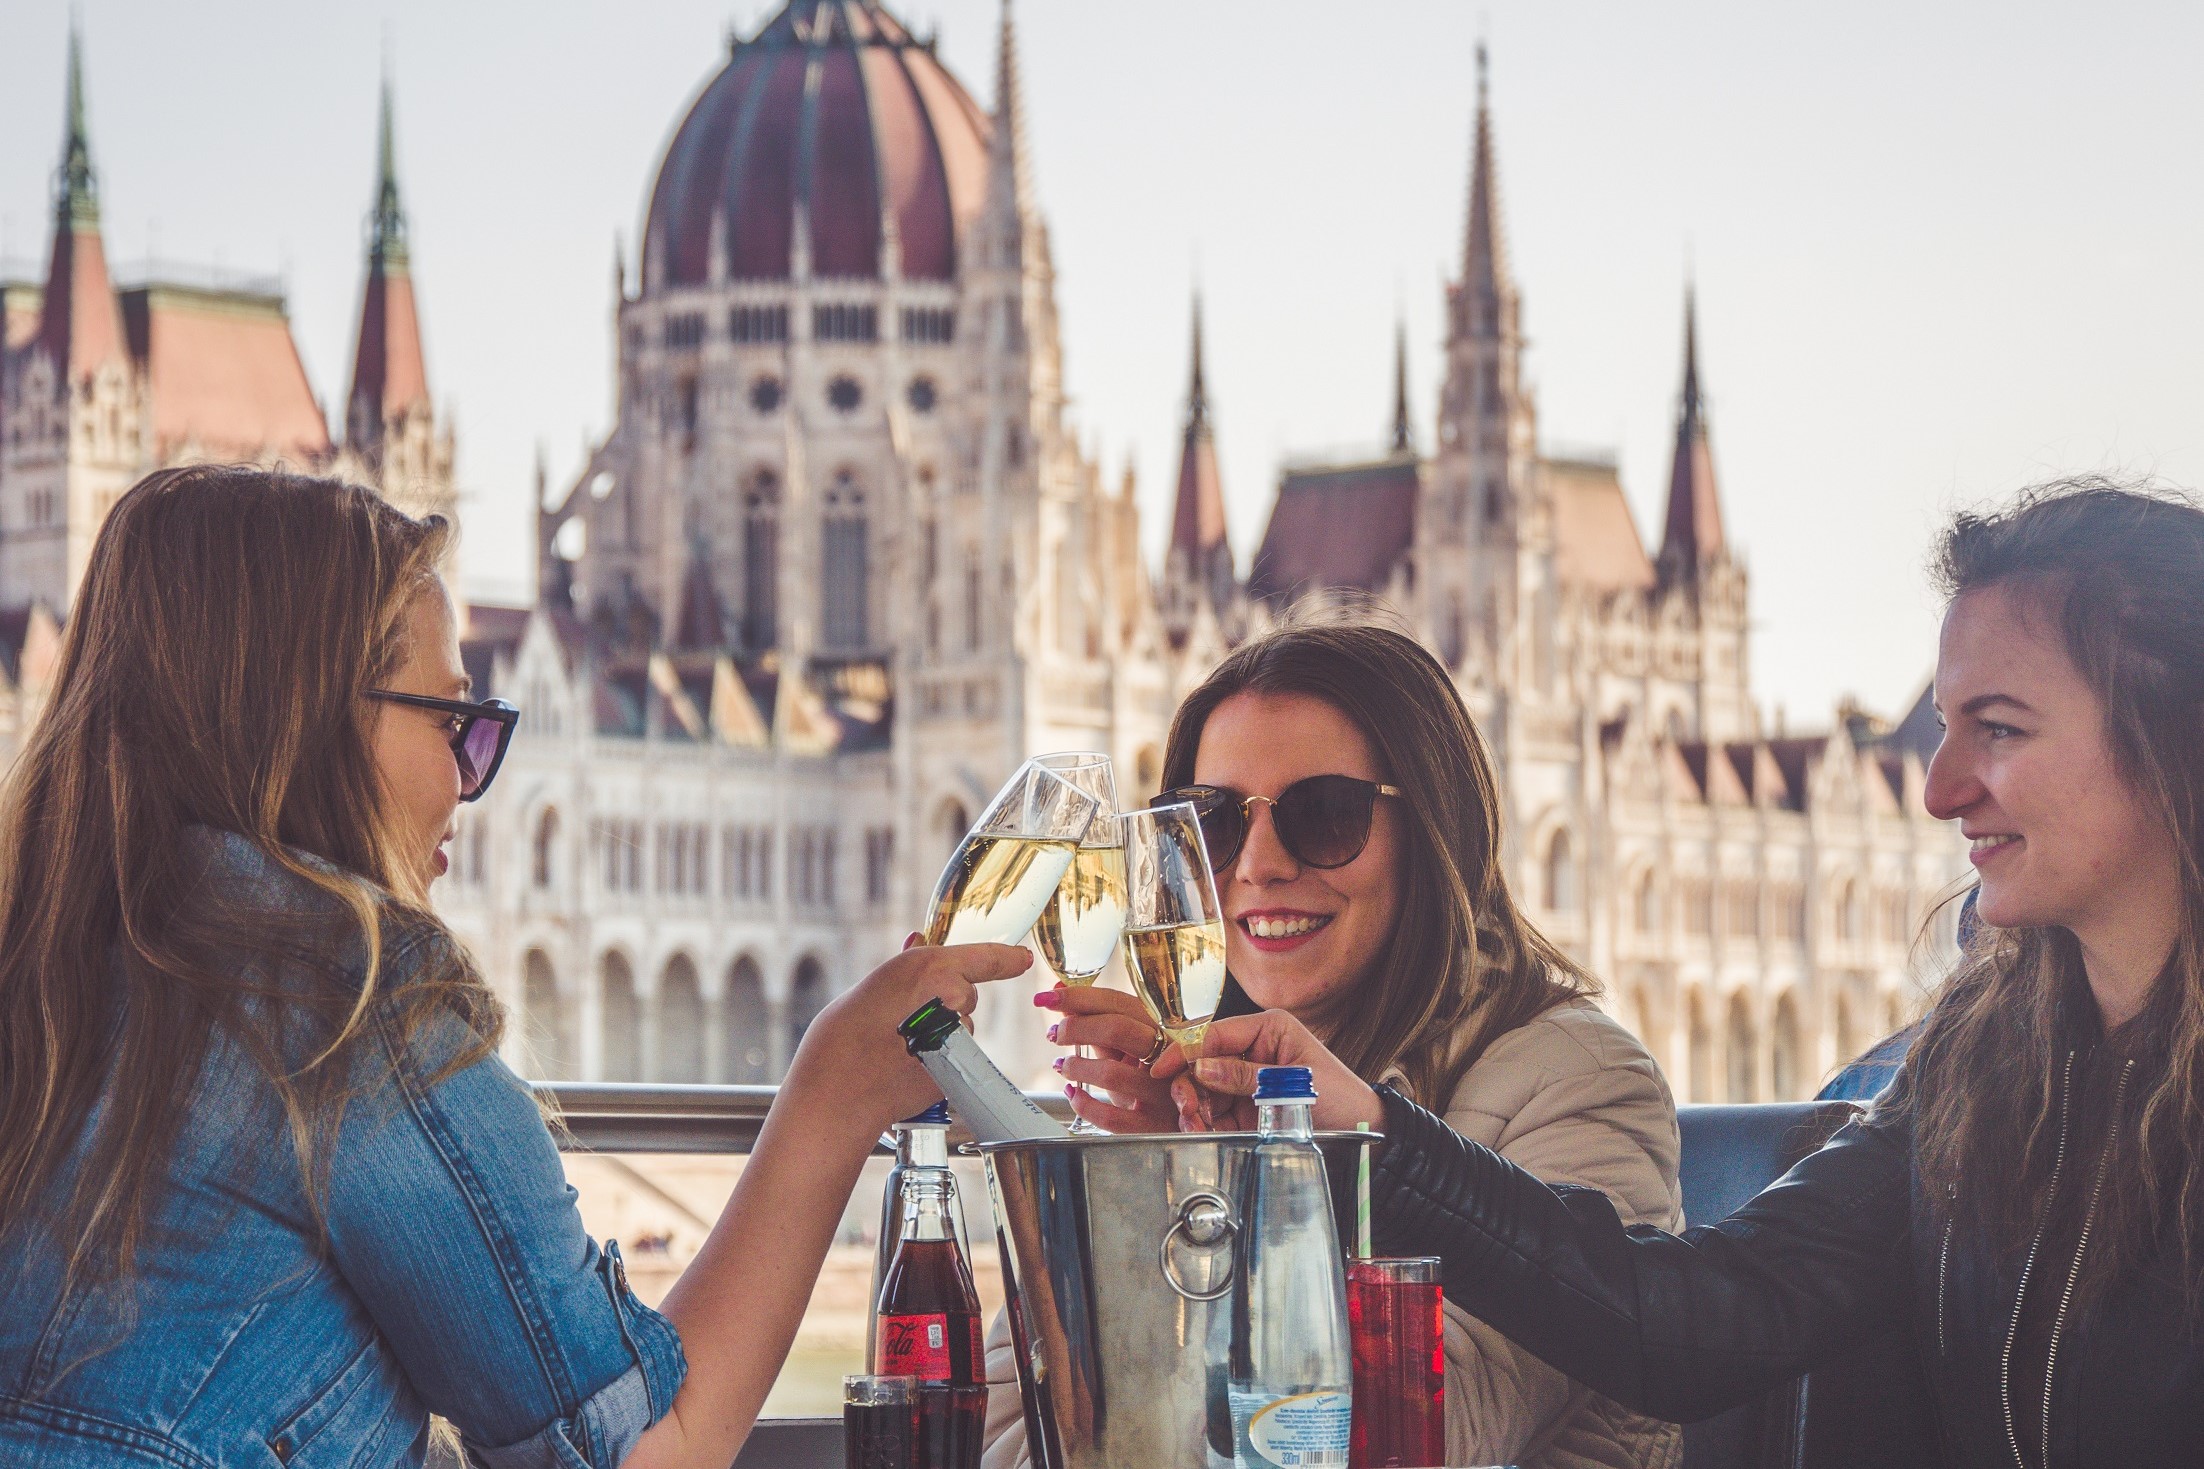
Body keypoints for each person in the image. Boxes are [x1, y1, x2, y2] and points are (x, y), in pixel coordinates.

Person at [0, 465, 1034, 1469]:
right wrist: (829, 1098)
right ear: (308, 715)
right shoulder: (345, 999)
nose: (466, 772)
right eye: (451, 718)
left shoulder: (48, 955)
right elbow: (632, 1452)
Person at [1196, 482, 2204, 1467]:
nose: (1938, 789)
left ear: (2171, 735)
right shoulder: (1980, 1060)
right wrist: (1374, 1134)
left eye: (1999, 727)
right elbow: (1697, 1320)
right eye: (1941, 725)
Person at [984, 619, 1687, 1469]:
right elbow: (1014, 1438)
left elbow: (1415, 1437)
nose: (1258, 864)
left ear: (1433, 831)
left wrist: (1221, 1180)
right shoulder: (1178, 1087)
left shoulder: (1580, 1081)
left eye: (1323, 815)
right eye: (1213, 824)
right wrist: (1148, 1179)